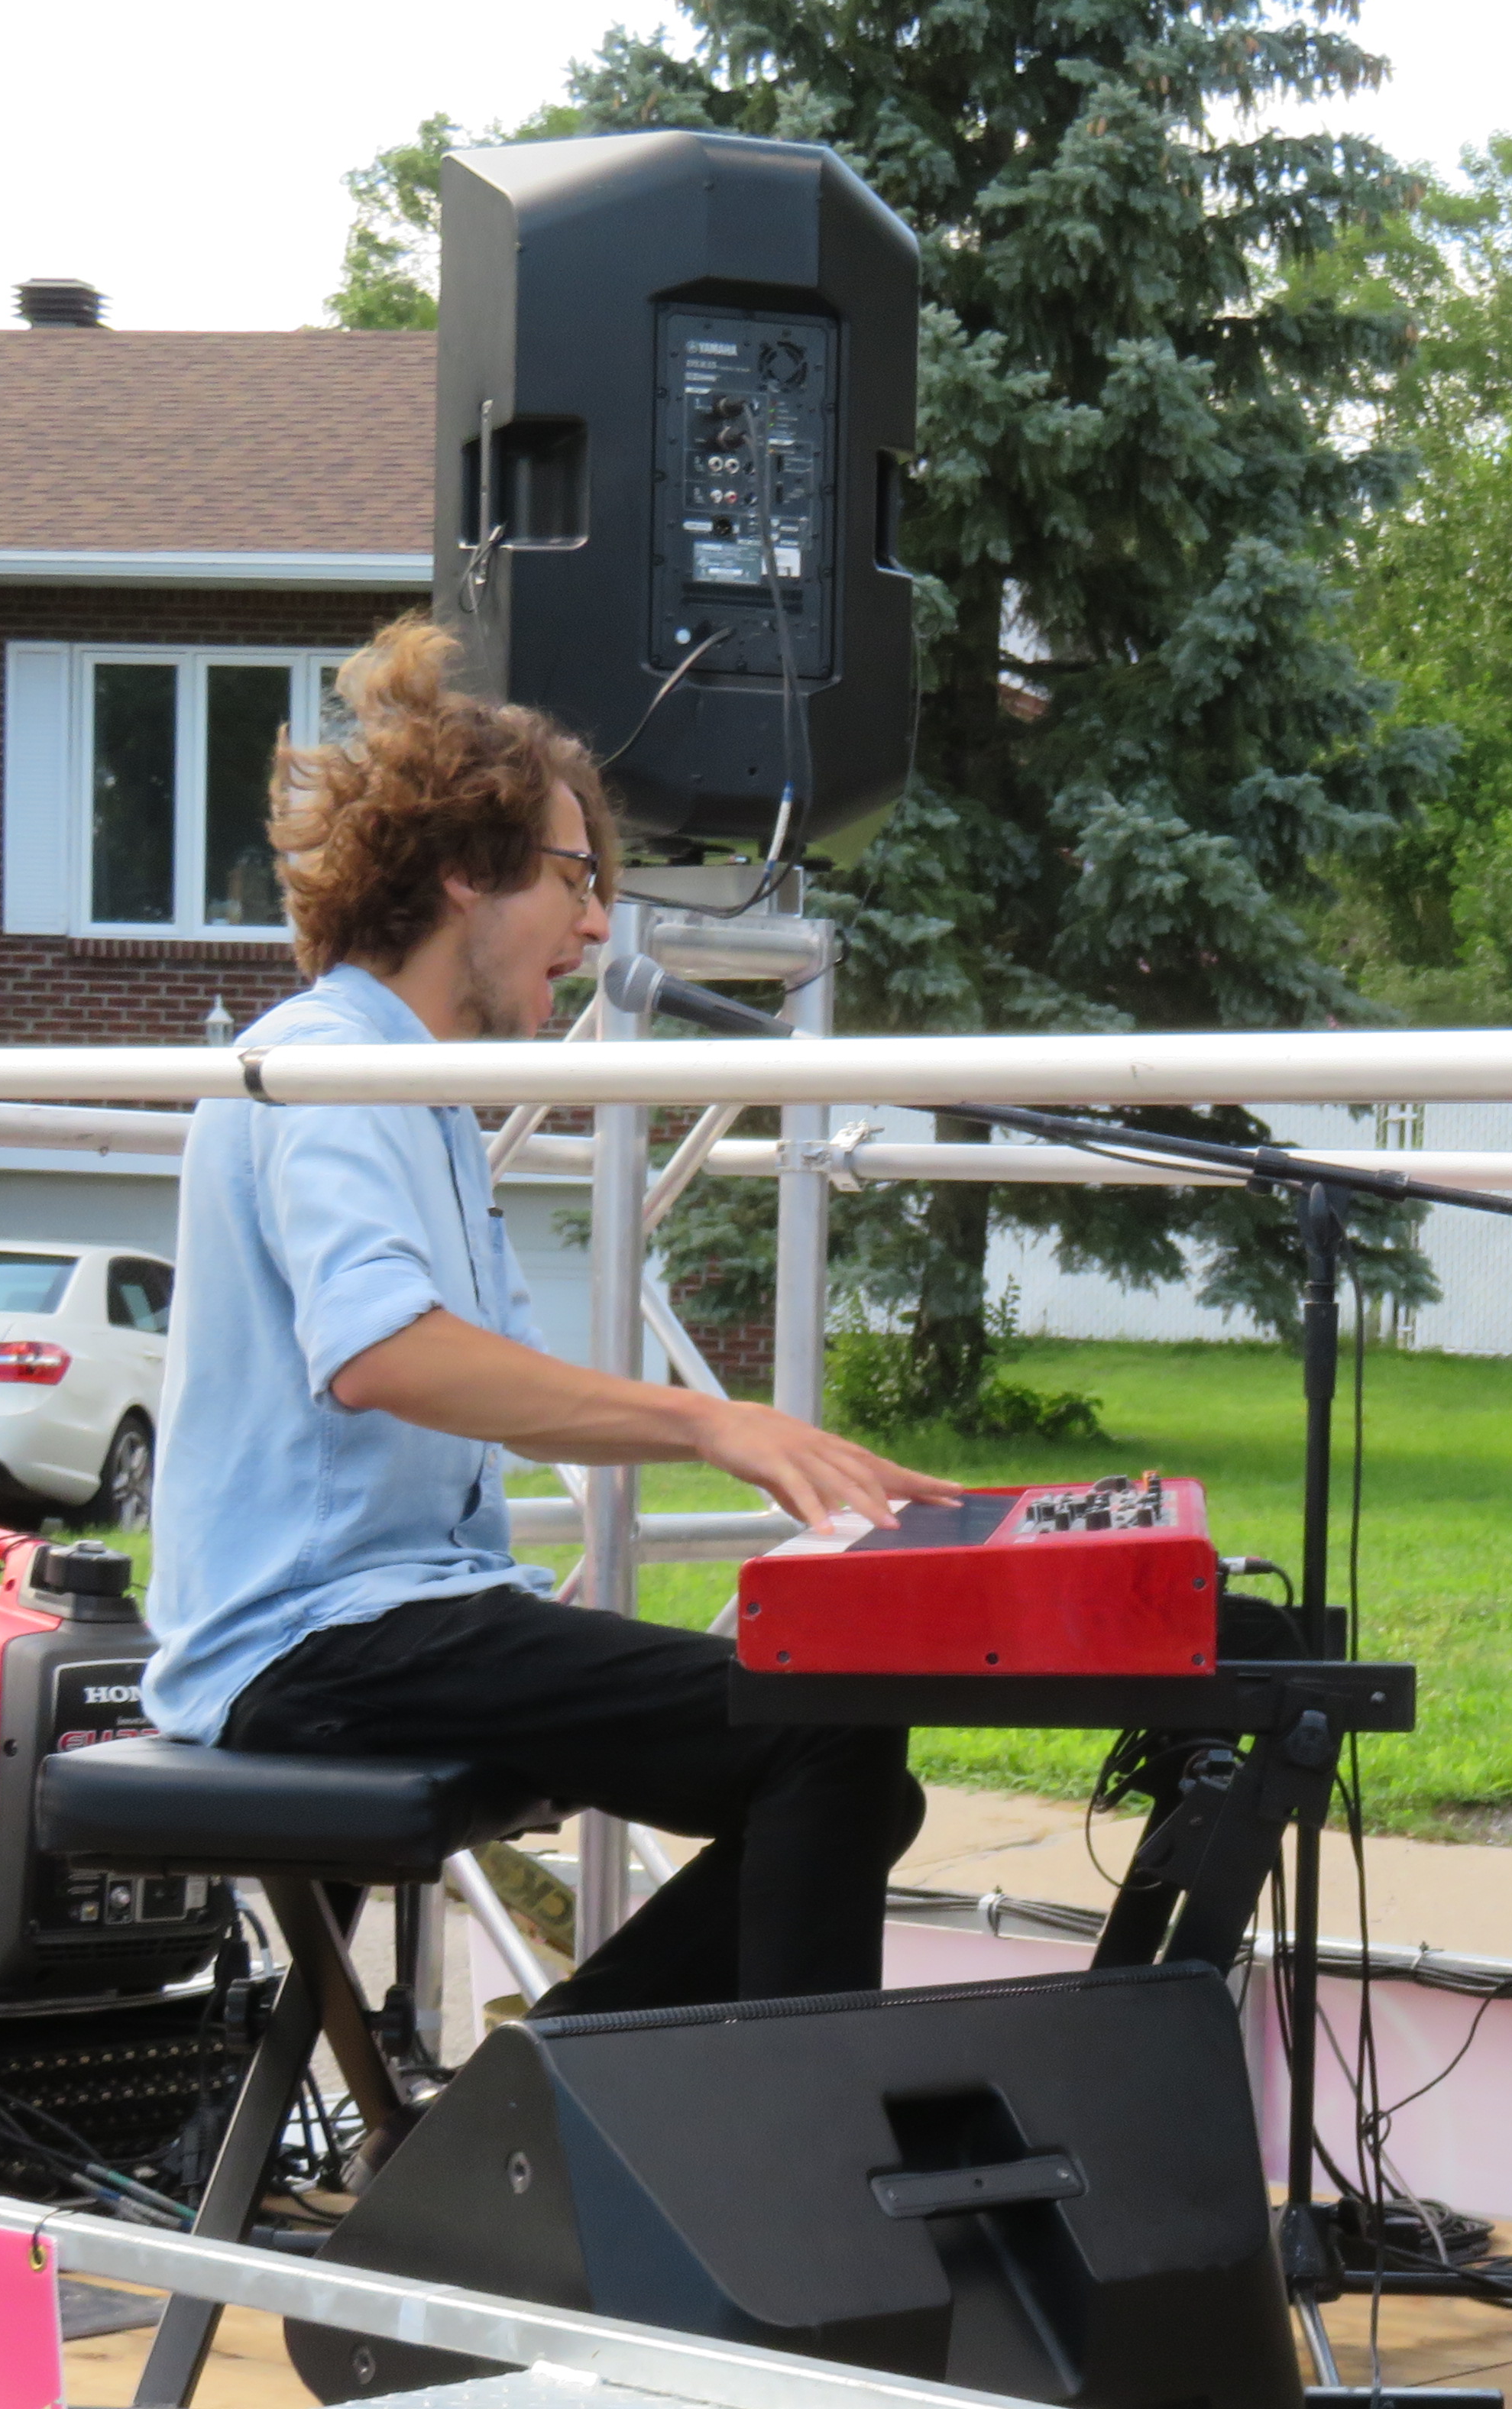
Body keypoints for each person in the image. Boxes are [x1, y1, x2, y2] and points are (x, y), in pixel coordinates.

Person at [140, 614, 958, 2013]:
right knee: (827, 1739)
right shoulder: (325, 1066)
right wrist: (716, 1425)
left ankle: (540, 2126)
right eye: (578, 879)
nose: (596, 923)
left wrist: (789, 1481)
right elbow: (390, 1358)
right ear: (464, 868)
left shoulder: (421, 1098)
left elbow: (479, 1377)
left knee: (852, 1767)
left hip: (402, 1617)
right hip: (312, 1642)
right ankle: (764, 2171)